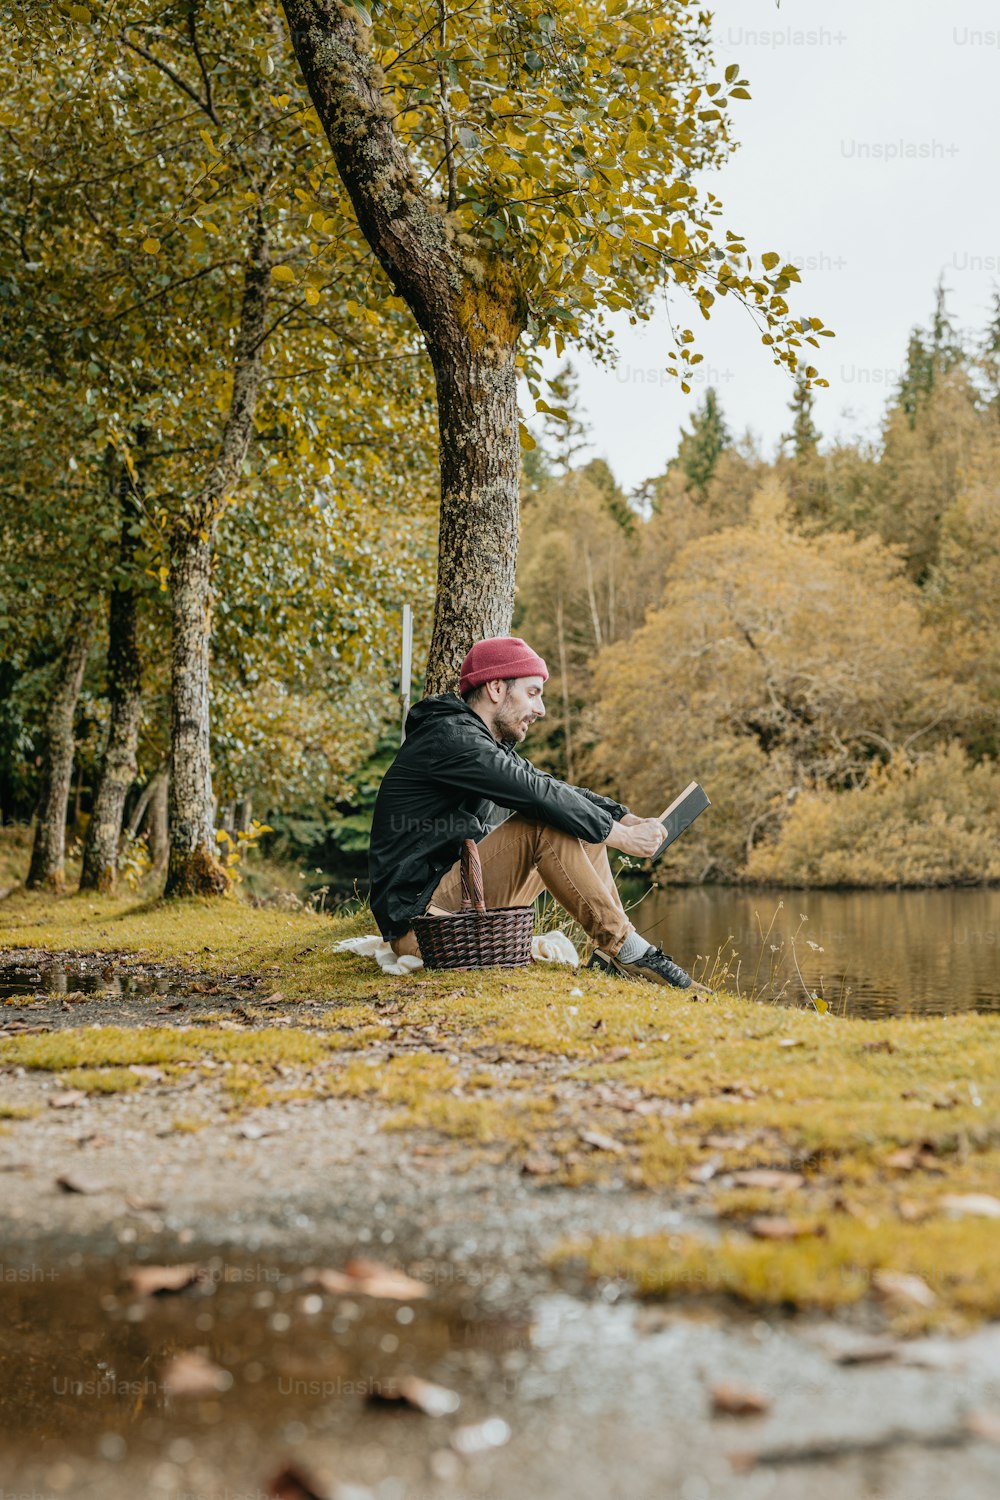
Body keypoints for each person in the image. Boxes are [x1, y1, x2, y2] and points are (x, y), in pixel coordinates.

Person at [368, 636, 691, 988]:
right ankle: (627, 949)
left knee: (574, 818)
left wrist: (623, 816)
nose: (541, 710)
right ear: (495, 688)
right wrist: (623, 837)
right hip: (425, 924)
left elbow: (551, 785)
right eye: (533, 693)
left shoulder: (482, 741)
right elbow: (538, 794)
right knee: (545, 823)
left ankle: (614, 953)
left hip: (457, 904)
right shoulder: (450, 739)